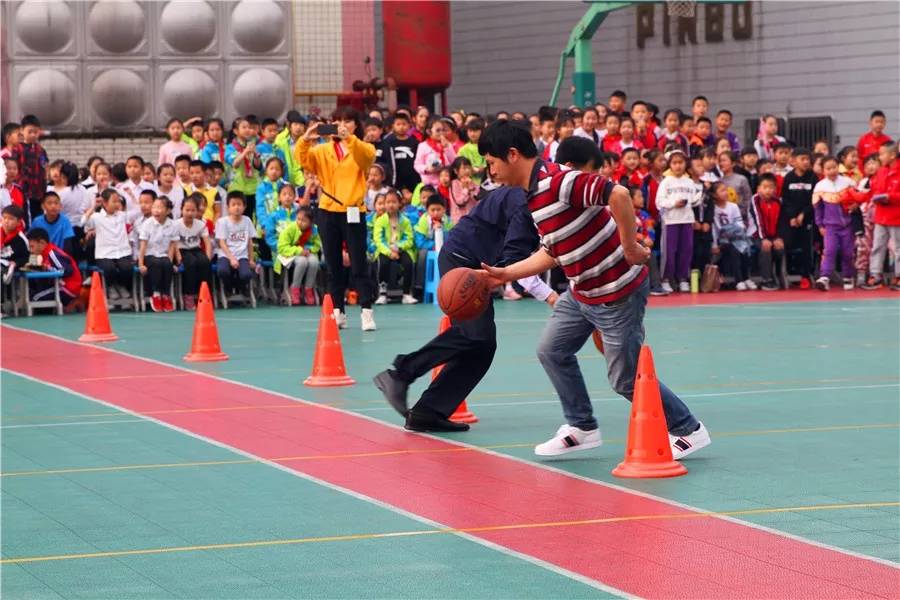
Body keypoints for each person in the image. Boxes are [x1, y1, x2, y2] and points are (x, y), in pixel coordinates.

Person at [475, 123, 707, 458]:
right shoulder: (534, 196)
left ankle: (689, 429)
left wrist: (629, 247)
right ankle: (581, 426)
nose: (489, 169)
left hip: (617, 293)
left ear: (512, 155)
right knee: (551, 351)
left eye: (490, 161)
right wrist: (506, 273)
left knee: (625, 379)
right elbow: (553, 251)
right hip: (582, 293)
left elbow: (619, 194)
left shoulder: (559, 181)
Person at [372, 177, 557, 433]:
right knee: (475, 334)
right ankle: (400, 373)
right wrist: (549, 295)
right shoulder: (525, 201)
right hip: (465, 262)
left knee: (483, 346)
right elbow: (515, 262)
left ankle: (428, 411)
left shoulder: (532, 196)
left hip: (476, 263)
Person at [296, 106, 376, 330]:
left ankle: (366, 310)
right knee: (333, 264)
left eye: (348, 121)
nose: (342, 125)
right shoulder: (322, 151)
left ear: (355, 125)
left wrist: (348, 137)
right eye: (338, 121)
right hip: (328, 210)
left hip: (353, 210)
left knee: (359, 263)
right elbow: (303, 160)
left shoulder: (362, 147)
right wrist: (305, 139)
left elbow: (366, 158)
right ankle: (338, 310)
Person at [656, 150, 702, 293]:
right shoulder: (666, 182)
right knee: (669, 251)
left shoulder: (689, 181)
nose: (678, 166)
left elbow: (694, 201)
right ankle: (666, 279)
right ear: (670, 165)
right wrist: (674, 203)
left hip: (687, 220)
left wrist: (700, 195)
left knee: (686, 250)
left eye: (681, 163)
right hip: (670, 221)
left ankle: (682, 279)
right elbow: (659, 202)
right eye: (675, 163)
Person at [813, 156, 856, 291]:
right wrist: (820, 225)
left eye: (834, 167)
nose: (831, 171)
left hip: (847, 225)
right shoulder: (820, 186)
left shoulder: (848, 183)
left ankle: (848, 276)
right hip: (830, 226)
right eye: (828, 168)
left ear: (839, 167)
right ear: (823, 170)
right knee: (829, 251)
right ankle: (824, 277)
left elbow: (858, 198)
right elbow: (817, 208)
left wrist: (855, 205)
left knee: (847, 252)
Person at [82, 189, 133, 300]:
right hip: (105, 253)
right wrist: (94, 206)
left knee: (127, 268)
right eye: (113, 201)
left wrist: (131, 195)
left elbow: (137, 213)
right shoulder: (97, 217)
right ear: (105, 203)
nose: (117, 204)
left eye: (118, 201)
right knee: (109, 268)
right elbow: (83, 222)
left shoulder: (122, 215)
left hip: (122, 251)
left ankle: (120, 286)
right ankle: (110, 287)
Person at [862, 142, 900, 290]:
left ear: (892, 155)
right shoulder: (881, 171)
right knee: (877, 245)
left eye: (882, 154)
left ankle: (898, 277)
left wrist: (890, 197)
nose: (880, 157)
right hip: (881, 215)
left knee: (898, 248)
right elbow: (876, 189)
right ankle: (875, 276)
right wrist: (878, 196)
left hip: (896, 216)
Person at [779, 148, 817, 287]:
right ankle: (785, 273)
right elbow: (786, 199)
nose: (806, 162)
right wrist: (792, 216)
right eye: (802, 159)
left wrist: (802, 215)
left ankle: (805, 276)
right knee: (787, 245)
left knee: (806, 248)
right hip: (791, 219)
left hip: (807, 219)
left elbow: (814, 199)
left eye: (807, 159)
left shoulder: (813, 177)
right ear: (794, 161)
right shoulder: (789, 177)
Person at [373, 188, 416, 305]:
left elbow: (409, 239)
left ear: (400, 203)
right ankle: (382, 293)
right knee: (383, 263)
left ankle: (406, 294)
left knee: (408, 263)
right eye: (388, 202)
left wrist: (399, 247)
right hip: (386, 250)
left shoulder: (405, 221)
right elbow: (378, 239)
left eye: (394, 202)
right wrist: (389, 252)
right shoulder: (380, 220)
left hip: (400, 249)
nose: (390, 205)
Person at [138, 196, 178, 312]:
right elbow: (143, 245)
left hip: (164, 255)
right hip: (149, 255)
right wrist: (141, 264)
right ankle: (155, 294)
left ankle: (165, 295)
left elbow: (172, 245)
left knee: (166, 264)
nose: (156, 210)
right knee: (156, 263)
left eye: (160, 207)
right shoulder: (147, 224)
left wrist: (170, 261)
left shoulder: (173, 225)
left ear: (168, 211)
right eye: (154, 207)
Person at [711, 181, 753, 290]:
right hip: (723, 240)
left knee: (745, 247)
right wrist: (714, 244)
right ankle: (738, 280)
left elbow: (739, 222)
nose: (726, 193)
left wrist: (738, 229)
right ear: (715, 195)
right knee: (735, 249)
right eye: (722, 191)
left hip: (735, 236)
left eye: (726, 190)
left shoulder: (733, 206)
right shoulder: (714, 209)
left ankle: (746, 278)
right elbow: (715, 228)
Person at [24, 227, 82, 307]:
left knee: (34, 298)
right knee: (29, 293)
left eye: (32, 246)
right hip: (57, 285)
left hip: (68, 288)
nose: (31, 250)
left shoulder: (53, 254)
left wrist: (47, 268)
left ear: (42, 243)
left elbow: (67, 271)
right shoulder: (41, 255)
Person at [276, 206, 321, 306]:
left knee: (314, 262)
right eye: (298, 219)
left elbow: (317, 244)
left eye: (304, 220)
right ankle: (294, 289)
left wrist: (310, 249)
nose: (300, 222)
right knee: (302, 262)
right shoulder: (290, 228)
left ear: (310, 222)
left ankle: (308, 289)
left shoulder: (314, 230)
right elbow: (282, 247)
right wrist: (298, 250)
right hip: (291, 253)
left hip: (307, 252)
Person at [747, 174, 785, 290]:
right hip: (756, 235)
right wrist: (763, 238)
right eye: (765, 187)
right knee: (766, 246)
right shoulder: (755, 200)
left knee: (779, 248)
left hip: (773, 235)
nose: (768, 190)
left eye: (771, 187)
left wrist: (779, 237)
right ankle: (766, 279)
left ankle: (778, 275)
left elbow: (781, 221)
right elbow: (758, 221)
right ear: (759, 188)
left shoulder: (778, 202)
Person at [174, 194, 211, 310]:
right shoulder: (176, 224)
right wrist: (178, 256)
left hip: (196, 249)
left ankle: (203, 295)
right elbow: (174, 243)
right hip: (182, 250)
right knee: (191, 263)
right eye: (187, 210)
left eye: (193, 210)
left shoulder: (200, 225)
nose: (190, 213)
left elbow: (207, 242)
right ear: (181, 210)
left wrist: (208, 256)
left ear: (197, 211)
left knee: (204, 262)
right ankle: (189, 295)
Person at [215, 191, 256, 297]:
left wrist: (251, 259)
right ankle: (228, 287)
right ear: (228, 207)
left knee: (246, 274)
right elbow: (222, 243)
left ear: (244, 207)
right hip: (226, 255)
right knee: (222, 271)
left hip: (242, 255)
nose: (236, 207)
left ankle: (241, 287)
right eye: (233, 205)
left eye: (239, 204)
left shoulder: (247, 221)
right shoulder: (222, 222)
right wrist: (231, 258)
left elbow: (249, 242)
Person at [12, 115, 48, 223]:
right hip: (24, 192)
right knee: (26, 220)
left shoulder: (41, 150)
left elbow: (45, 167)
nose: (33, 135)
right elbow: (13, 169)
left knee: (38, 220)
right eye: (30, 131)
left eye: (35, 132)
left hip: (39, 193)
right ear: (22, 131)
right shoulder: (17, 149)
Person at [225, 117, 262, 218]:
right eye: (244, 127)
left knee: (253, 218)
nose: (247, 130)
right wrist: (245, 151)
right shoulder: (230, 147)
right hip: (238, 188)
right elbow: (235, 164)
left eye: (249, 127)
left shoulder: (253, 144)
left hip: (254, 188)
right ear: (236, 131)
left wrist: (256, 155)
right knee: (240, 217)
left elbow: (258, 166)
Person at [254, 157, 289, 259]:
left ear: (282, 172)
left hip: (282, 227)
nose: (274, 172)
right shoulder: (261, 187)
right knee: (266, 258)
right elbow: (260, 208)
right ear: (266, 170)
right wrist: (265, 226)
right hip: (265, 229)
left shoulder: (286, 186)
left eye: (277, 169)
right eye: (271, 168)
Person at [381, 112, 421, 193]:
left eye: (404, 124)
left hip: (412, 180)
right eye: (398, 124)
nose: (401, 127)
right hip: (395, 181)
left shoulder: (414, 142)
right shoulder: (388, 142)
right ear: (393, 126)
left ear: (409, 125)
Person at [414, 118, 457, 188]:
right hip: (430, 185)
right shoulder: (423, 146)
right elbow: (417, 165)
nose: (441, 133)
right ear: (429, 131)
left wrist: (447, 148)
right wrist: (427, 169)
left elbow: (454, 162)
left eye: (443, 130)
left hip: (446, 184)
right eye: (438, 131)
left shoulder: (447, 144)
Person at [30, 192, 75, 257]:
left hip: (59, 256)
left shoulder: (65, 221)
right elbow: (32, 243)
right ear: (43, 206)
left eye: (56, 203)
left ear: (60, 206)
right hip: (40, 256)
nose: (53, 206)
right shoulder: (37, 221)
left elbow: (68, 246)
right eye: (49, 203)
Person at [1, 205, 29, 308]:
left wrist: (15, 263)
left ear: (19, 222)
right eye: (4, 218)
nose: (6, 221)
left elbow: (26, 257)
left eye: (11, 219)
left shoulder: (21, 239)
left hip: (9, 266)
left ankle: (3, 304)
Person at [274, 111, 306, 191]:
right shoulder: (281, 142)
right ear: (289, 127)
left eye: (301, 125)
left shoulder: (307, 143)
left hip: (302, 182)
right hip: (285, 182)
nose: (298, 127)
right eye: (295, 125)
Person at [117, 155, 156, 221]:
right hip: (129, 224)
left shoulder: (150, 187)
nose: (132, 169)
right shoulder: (122, 189)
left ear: (142, 169)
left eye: (135, 166)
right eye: (129, 167)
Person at [718, 151, 753, 223]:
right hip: (724, 219)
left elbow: (748, 198)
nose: (721, 163)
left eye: (724, 160)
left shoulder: (741, 179)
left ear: (733, 163)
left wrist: (744, 214)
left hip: (740, 217)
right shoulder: (718, 181)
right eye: (720, 161)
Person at [448, 156, 479, 223]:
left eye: (469, 167)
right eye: (464, 168)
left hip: (473, 218)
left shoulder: (473, 183)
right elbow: (459, 202)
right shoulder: (454, 184)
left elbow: (478, 199)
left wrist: (472, 188)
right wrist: (465, 189)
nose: (467, 170)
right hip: (459, 220)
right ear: (456, 171)